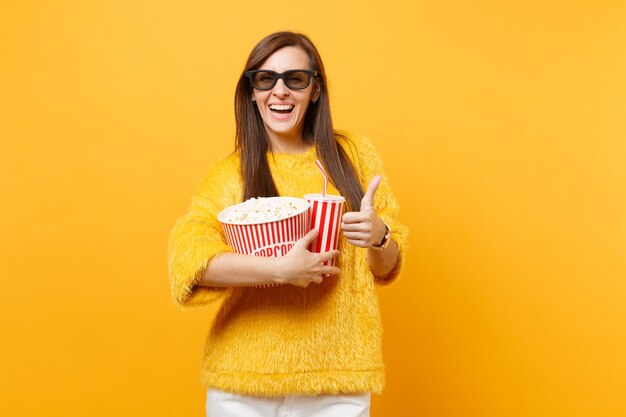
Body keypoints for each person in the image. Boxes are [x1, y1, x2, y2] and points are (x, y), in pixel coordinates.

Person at [168, 31, 408, 417]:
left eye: (295, 79)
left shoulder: (354, 157)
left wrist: (379, 236)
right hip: (242, 383)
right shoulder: (231, 174)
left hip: (338, 379)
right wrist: (280, 269)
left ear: (314, 89)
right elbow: (188, 263)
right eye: (266, 79)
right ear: (252, 91)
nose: (280, 91)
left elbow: (386, 267)